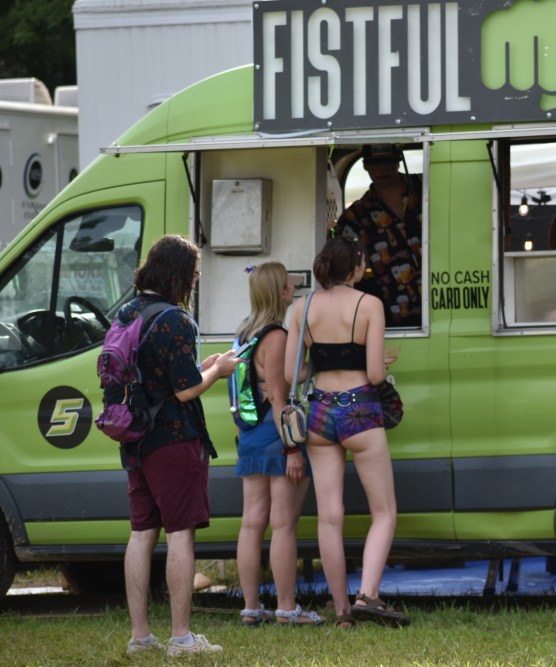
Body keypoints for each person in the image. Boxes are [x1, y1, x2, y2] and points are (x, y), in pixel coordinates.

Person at [122, 235, 239, 657]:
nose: (193, 284)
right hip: (173, 440)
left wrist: (201, 369)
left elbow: (164, 375)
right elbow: (187, 391)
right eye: (192, 276)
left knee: (140, 535)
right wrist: (219, 371)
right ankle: (181, 638)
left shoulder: (126, 313)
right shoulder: (177, 320)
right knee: (180, 535)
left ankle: (140, 638)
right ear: (176, 274)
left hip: (135, 439)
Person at [285, 235, 409, 629]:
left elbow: (294, 374)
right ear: (355, 266)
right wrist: (383, 364)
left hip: (321, 409)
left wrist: (320, 358)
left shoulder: (300, 308)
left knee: (329, 516)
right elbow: (373, 374)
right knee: (384, 511)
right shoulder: (369, 305)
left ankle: (342, 612)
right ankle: (367, 595)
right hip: (359, 408)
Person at [232, 263, 320, 626]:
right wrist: (292, 450)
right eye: (289, 285)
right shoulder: (277, 336)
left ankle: (251, 607)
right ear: (279, 293)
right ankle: (286, 607)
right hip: (275, 436)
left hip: (249, 435)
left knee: (251, 523)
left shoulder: (244, 333)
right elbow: (280, 400)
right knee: (283, 524)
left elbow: (280, 376)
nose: (294, 289)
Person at [339, 144, 422, 328]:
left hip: (442, 301)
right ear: (365, 166)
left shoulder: (426, 188)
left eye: (388, 162)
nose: (382, 169)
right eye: (375, 163)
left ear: (398, 163)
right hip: (394, 313)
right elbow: (342, 265)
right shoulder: (355, 215)